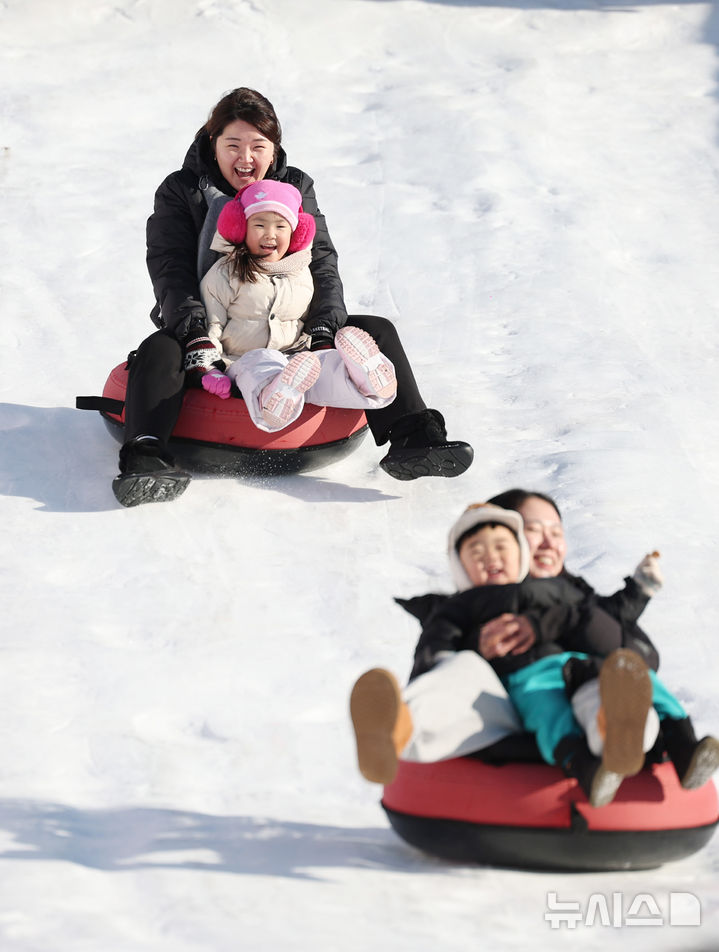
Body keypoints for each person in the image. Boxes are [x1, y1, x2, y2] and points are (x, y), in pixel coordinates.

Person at [113, 87, 473, 506]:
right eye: (232, 145)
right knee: (160, 349)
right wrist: (194, 332)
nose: (245, 159)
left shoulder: (294, 186)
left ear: (274, 150)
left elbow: (321, 261)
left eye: (257, 147)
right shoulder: (183, 189)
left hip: (293, 332)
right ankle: (146, 454)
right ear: (213, 144)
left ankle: (414, 437)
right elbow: (169, 267)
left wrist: (324, 327)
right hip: (215, 327)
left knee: (375, 329)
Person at [350, 503, 719, 806]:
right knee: (485, 682)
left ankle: (638, 738)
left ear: (521, 554)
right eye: (474, 552)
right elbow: (434, 646)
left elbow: (603, 615)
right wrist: (466, 649)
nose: (489, 558)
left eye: (500, 547)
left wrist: (638, 591)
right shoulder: (458, 607)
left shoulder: (554, 590)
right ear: (460, 567)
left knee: (619, 687)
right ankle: (396, 727)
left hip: (579, 671)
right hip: (517, 684)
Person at [196, 179, 397, 432]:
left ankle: (366, 377)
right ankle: (273, 397)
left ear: (295, 234)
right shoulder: (225, 273)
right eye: (259, 225)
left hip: (296, 359)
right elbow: (211, 325)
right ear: (240, 229)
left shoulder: (301, 273)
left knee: (325, 366)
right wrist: (210, 368)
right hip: (240, 359)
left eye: (281, 226)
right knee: (260, 363)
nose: (270, 234)